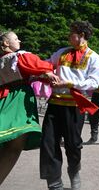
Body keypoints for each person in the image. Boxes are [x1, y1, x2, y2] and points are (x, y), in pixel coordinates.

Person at [40, 21, 99, 190]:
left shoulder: (93, 57)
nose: (68, 36)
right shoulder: (61, 52)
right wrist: (46, 71)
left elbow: (94, 82)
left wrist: (68, 83)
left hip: (75, 106)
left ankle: (74, 170)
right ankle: (54, 183)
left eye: (72, 33)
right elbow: (46, 64)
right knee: (49, 142)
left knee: (73, 144)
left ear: (81, 35)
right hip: (54, 104)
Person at [0, 31, 59, 186]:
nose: (19, 40)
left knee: (7, 141)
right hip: (18, 100)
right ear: (6, 43)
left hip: (3, 99)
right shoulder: (20, 56)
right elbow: (37, 65)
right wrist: (48, 71)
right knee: (15, 145)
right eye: (15, 38)